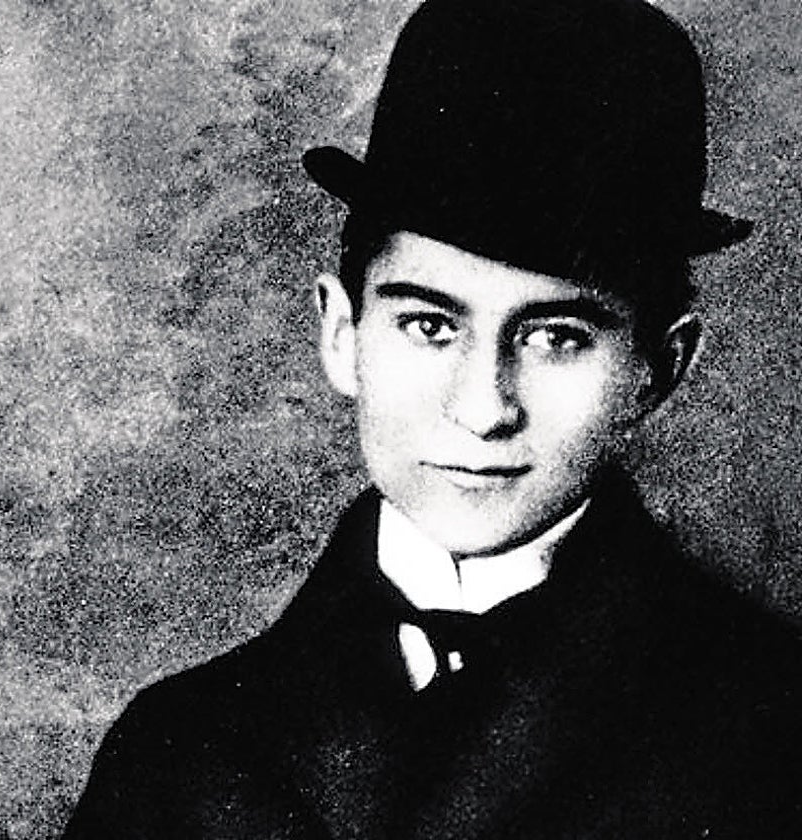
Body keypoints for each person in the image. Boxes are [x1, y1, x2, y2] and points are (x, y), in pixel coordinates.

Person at [63, 0, 802, 837]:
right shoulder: (177, 748)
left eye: (557, 338)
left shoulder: (773, 735)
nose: (483, 409)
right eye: (429, 326)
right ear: (342, 336)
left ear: (658, 370)